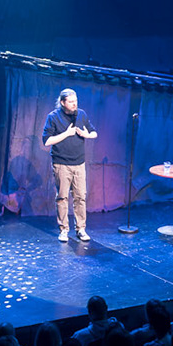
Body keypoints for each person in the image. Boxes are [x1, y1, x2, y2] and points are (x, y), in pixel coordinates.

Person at [42, 87, 99, 243]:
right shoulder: (53, 117)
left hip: (79, 163)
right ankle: (64, 230)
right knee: (62, 197)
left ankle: (81, 229)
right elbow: (46, 141)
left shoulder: (81, 114)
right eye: (71, 102)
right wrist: (67, 133)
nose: (75, 104)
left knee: (80, 197)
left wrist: (86, 135)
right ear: (62, 102)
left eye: (76, 101)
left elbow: (94, 132)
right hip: (61, 164)